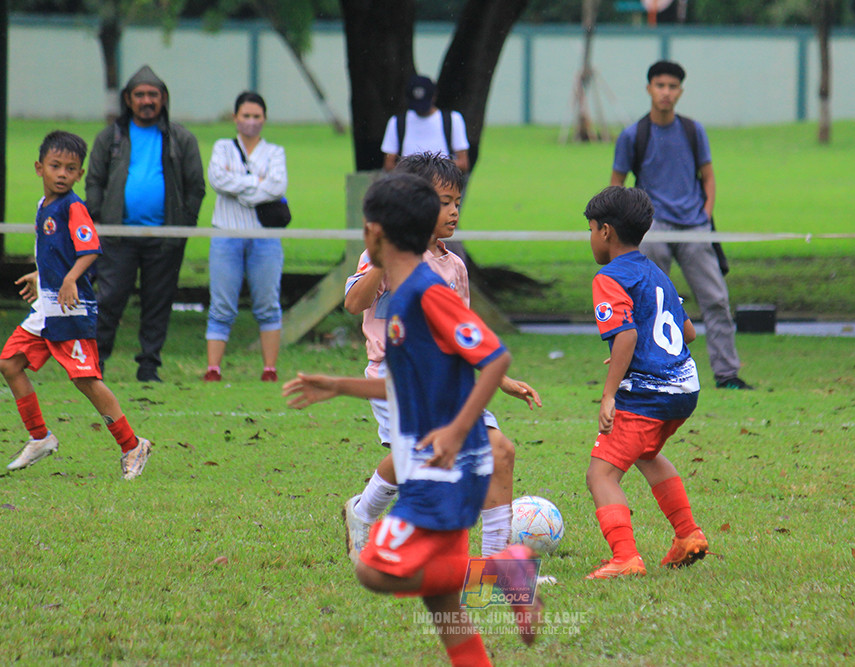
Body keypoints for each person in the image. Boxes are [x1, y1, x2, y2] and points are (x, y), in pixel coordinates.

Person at [283, 173, 542, 665]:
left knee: (373, 571)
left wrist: (457, 430)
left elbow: (495, 358)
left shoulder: (429, 293)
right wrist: (338, 386)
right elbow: (402, 383)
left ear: (373, 233)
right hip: (433, 467)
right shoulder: (403, 297)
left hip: (443, 472)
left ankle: (506, 570)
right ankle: (497, 585)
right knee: (443, 606)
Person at [342, 152, 540, 561]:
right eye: (444, 202)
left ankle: (492, 569)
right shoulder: (385, 256)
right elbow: (353, 302)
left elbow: (463, 336)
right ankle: (366, 516)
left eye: (457, 202)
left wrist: (501, 379)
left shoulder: (454, 267)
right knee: (423, 458)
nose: (454, 211)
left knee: (499, 452)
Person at [1, 131, 152, 479]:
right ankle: (40, 437)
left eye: (70, 169)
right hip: (47, 308)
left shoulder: (74, 207)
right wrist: (41, 276)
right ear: (39, 167)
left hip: (71, 308)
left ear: (80, 174)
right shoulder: (43, 206)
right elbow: (56, 252)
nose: (62, 174)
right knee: (9, 363)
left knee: (86, 380)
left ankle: (132, 445)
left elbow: (90, 249)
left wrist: (69, 280)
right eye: (55, 166)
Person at [582, 186, 710, 580]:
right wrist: (643, 354)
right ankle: (688, 535)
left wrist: (609, 395)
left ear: (605, 231)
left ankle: (625, 557)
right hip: (684, 388)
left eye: (590, 229)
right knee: (645, 453)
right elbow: (688, 332)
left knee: (601, 474)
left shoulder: (609, 277)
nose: (590, 238)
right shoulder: (656, 273)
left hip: (649, 393)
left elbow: (626, 335)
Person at [611, 60, 752, 390]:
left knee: (716, 301)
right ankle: (644, 373)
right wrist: (626, 228)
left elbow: (709, 177)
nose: (666, 92)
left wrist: (706, 215)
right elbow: (616, 185)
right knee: (646, 304)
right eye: (660, 85)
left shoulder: (693, 130)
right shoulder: (633, 135)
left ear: (680, 92)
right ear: (649, 89)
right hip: (652, 229)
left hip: (694, 228)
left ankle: (727, 374)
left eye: (672, 87)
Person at [86, 65, 206, 383]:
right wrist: (99, 218)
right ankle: (95, 365)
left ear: (164, 98)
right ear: (128, 99)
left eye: (153, 94)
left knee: (158, 303)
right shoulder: (110, 137)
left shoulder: (181, 138)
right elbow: (94, 181)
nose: (147, 101)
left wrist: (183, 226)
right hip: (116, 237)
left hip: (165, 239)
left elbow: (196, 187)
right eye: (139, 95)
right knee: (109, 300)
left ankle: (149, 367)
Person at [202, 91, 287, 383]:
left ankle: (270, 369)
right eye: (246, 116)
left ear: (265, 118)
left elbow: (277, 186)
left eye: (256, 116)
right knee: (221, 304)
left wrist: (240, 189)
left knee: (268, 303)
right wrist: (256, 184)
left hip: (265, 237)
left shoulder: (274, 152)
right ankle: (213, 369)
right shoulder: (223, 147)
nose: (251, 121)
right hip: (226, 233)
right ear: (235, 117)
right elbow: (217, 180)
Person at [381, 75, 471, 173]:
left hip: (441, 179)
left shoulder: (452, 119)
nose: (420, 110)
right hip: (408, 180)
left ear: (434, 97)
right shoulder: (397, 122)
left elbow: (463, 163)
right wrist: (414, 171)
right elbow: (388, 165)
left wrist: (431, 169)